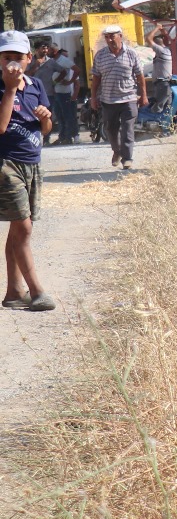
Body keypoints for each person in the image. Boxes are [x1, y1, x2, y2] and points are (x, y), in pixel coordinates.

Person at [0, 31, 54, 311]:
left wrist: (45, 120)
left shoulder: (36, 86)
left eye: (18, 58)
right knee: (23, 227)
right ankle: (36, 291)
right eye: (6, 57)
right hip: (5, 164)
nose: (13, 63)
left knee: (18, 230)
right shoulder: (2, 87)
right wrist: (9, 89)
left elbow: (45, 130)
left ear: (29, 59)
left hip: (32, 162)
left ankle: (12, 292)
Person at [90, 23, 146, 171]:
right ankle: (116, 151)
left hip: (129, 98)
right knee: (111, 129)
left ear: (120, 36)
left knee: (127, 128)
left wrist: (144, 95)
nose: (109, 40)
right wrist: (93, 98)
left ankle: (127, 159)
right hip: (108, 100)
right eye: (107, 37)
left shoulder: (131, 54)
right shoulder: (100, 56)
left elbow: (140, 77)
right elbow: (96, 79)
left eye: (112, 37)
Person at [46, 43, 79, 145]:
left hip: (64, 93)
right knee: (59, 116)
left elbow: (77, 70)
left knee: (67, 116)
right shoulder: (52, 61)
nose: (47, 52)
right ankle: (62, 137)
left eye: (49, 50)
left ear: (54, 51)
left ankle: (68, 138)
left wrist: (70, 81)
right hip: (55, 92)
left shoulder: (63, 60)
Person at [146, 27, 172, 114]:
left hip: (162, 84)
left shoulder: (160, 51)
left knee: (157, 108)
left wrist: (156, 27)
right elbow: (169, 40)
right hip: (163, 83)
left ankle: (154, 124)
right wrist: (164, 33)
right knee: (166, 108)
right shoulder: (167, 50)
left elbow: (148, 38)